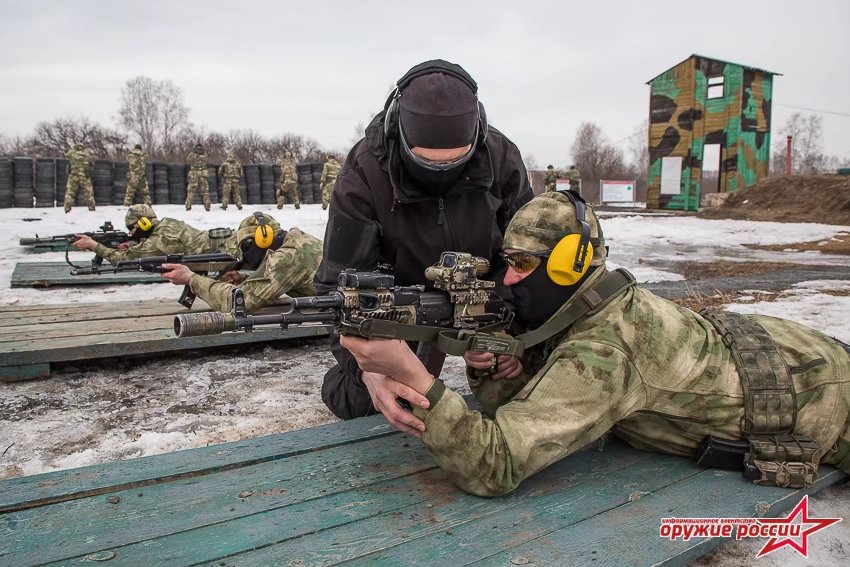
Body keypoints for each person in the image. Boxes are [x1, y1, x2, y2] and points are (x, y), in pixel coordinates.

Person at [341, 191, 850, 496]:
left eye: (523, 265)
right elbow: (542, 412)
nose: (509, 282)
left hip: (825, 396)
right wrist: (493, 366)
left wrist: (414, 377)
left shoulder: (604, 351)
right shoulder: (599, 303)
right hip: (790, 354)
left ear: (570, 264)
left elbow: (493, 465)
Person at [315, 59, 533, 432]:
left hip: (491, 299)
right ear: (396, 129)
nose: (441, 175)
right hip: (402, 308)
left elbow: (529, 261)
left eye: (456, 162)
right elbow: (340, 286)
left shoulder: (501, 158)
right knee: (370, 404)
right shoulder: (364, 173)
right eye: (424, 163)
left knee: (534, 387)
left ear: (477, 135)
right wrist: (367, 368)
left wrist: (515, 339)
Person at [161, 213, 323, 313]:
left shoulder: (286, 258)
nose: (244, 255)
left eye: (245, 246)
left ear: (263, 239)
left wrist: (191, 279)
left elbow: (238, 303)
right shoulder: (296, 241)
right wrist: (245, 277)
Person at [72, 204, 237, 264]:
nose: (131, 232)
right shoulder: (168, 223)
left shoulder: (158, 242)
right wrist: (133, 244)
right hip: (225, 240)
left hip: (230, 247)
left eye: (132, 228)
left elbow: (120, 260)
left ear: (143, 223)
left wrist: (93, 245)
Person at [63, 143, 95, 212]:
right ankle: (91, 207)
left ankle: (67, 208)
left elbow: (66, 155)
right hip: (84, 176)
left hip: (73, 175)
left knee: (70, 193)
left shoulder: (72, 152)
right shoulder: (86, 153)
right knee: (88, 193)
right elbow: (90, 163)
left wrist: (65, 150)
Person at [186, 142, 211, 211]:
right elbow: (206, 161)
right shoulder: (204, 154)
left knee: (191, 191)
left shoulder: (192, 154)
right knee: (205, 191)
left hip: (194, 173)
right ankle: (207, 206)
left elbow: (188, 160)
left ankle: (188, 205)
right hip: (203, 173)